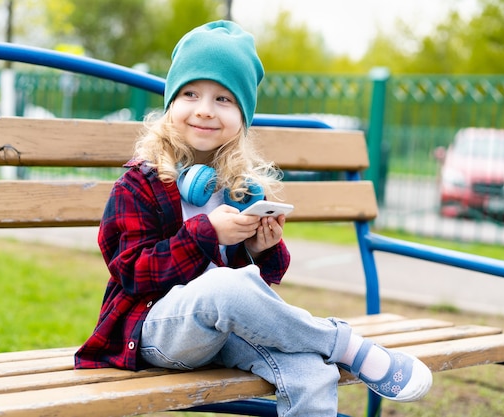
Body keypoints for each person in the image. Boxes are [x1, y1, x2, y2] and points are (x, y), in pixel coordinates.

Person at [75, 20, 432, 416]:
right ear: (171, 104)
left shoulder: (237, 187)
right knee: (227, 285)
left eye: (224, 99)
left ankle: (329, 354)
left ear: (242, 117)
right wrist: (206, 234)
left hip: (220, 331)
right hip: (153, 330)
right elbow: (132, 272)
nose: (205, 110)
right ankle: (347, 345)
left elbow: (256, 292)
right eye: (191, 93)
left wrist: (260, 249)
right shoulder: (139, 183)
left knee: (310, 370)